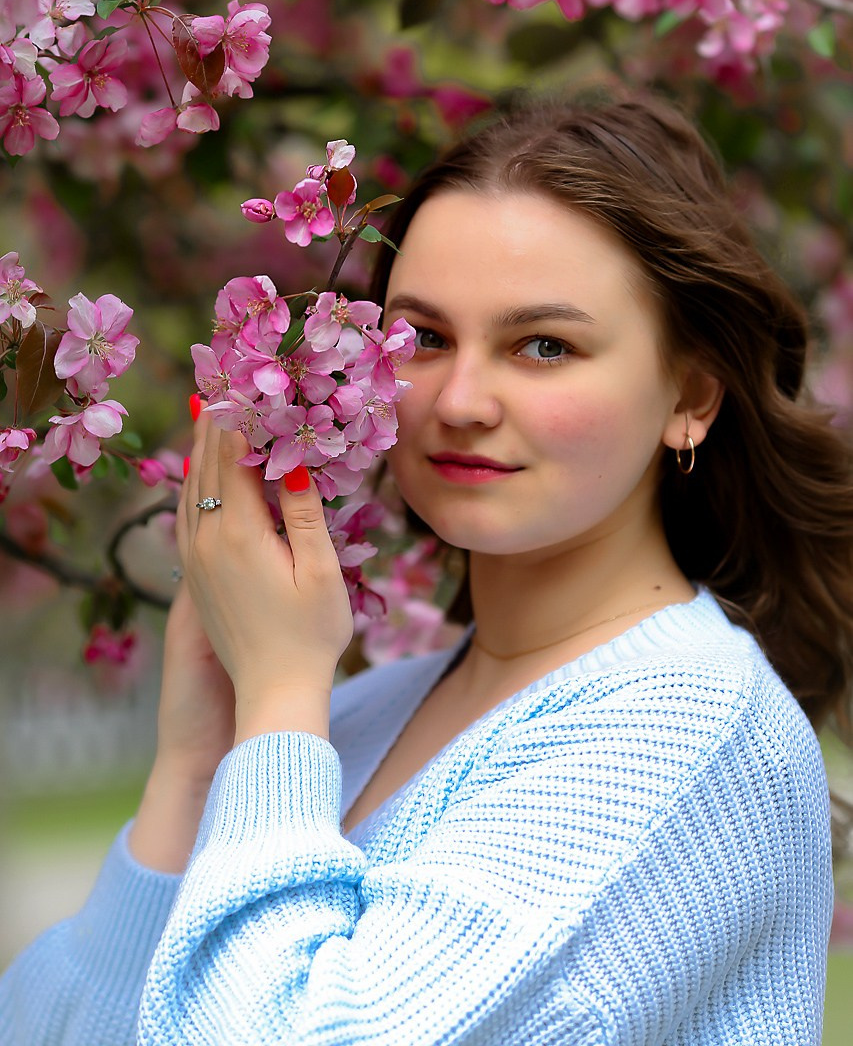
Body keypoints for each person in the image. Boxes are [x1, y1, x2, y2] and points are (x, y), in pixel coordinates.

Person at [1, 92, 851, 1045]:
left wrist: (281, 694)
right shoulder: (365, 714)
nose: (460, 400)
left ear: (689, 395)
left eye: (543, 345)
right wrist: (202, 760)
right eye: (425, 339)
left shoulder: (688, 730)